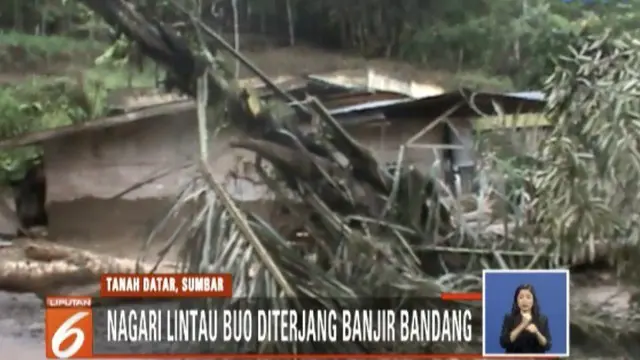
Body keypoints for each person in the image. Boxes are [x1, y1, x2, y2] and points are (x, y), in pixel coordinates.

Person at [499, 284, 552, 353]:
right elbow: (504, 343)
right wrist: (522, 325)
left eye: (528, 297)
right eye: (521, 297)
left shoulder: (542, 319)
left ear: (533, 300)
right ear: (516, 300)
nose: (524, 301)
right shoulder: (509, 318)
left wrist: (537, 332)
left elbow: (547, 346)